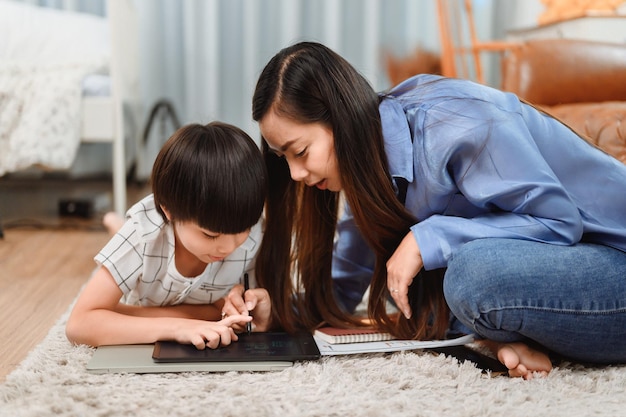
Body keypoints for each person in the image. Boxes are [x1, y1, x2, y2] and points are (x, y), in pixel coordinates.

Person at [236, 41, 626, 379]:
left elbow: (559, 223)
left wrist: (429, 237)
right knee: (411, 299)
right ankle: (496, 338)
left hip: (614, 259)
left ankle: (496, 333)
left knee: (469, 276)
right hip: (565, 271)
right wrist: (277, 312)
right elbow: (340, 291)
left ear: (341, 119)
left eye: (300, 152)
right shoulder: (373, 173)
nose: (295, 173)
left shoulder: (455, 124)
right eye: (282, 158)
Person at [66, 122, 272, 349]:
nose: (227, 248)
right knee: (131, 239)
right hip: (149, 241)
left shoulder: (254, 234)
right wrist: (179, 327)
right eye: (211, 235)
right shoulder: (142, 233)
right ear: (169, 211)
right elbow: (79, 324)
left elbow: (224, 310)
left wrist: (240, 306)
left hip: (162, 295)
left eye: (242, 230)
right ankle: (116, 224)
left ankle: (117, 225)